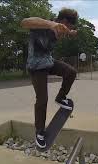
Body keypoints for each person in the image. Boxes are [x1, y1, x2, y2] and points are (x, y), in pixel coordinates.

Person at [20, 8, 78, 149]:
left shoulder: (63, 29)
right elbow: (24, 22)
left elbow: (68, 31)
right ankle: (39, 132)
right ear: (63, 22)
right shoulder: (43, 25)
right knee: (42, 99)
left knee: (71, 72)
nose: (65, 33)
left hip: (48, 62)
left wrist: (71, 32)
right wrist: (51, 24)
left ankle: (60, 97)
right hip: (35, 66)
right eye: (68, 27)